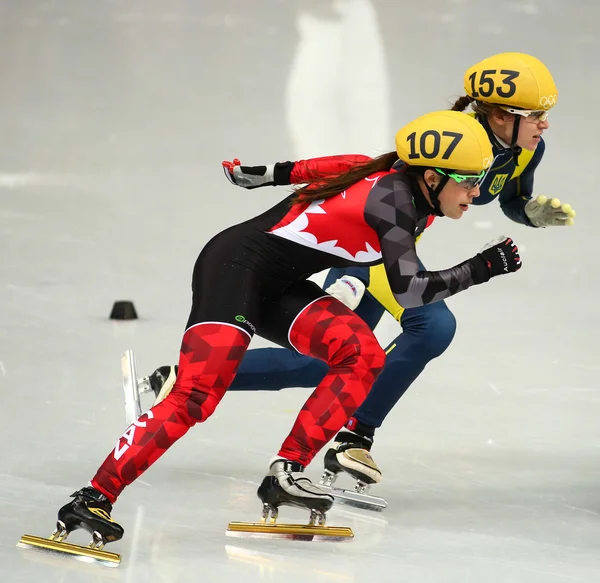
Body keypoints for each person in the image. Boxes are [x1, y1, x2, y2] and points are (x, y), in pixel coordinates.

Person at [53, 109, 523, 551]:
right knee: (197, 396)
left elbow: (321, 167)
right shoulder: (395, 201)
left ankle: (287, 472)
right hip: (235, 268)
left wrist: (261, 173)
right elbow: (411, 292)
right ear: (432, 176)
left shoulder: (390, 175)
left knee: (362, 355)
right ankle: (92, 497)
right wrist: (483, 266)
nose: (476, 193)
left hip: (283, 285)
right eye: (469, 181)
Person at [144, 52, 575, 500]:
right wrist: (276, 176)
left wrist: (528, 211)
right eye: (538, 115)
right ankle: (355, 436)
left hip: (397, 251)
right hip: (371, 248)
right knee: (432, 326)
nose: (546, 125)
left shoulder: (527, 149)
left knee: (320, 364)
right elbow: (369, 174)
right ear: (503, 116)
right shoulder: (452, 139)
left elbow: (511, 197)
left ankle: (183, 378)